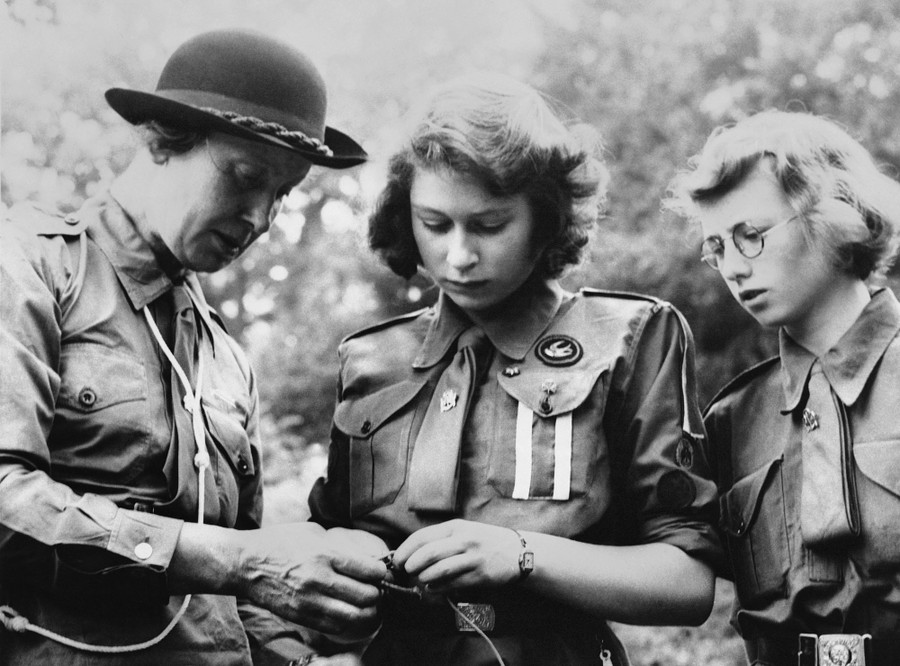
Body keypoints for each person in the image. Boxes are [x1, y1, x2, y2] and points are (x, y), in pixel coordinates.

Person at [0, 29, 390, 666]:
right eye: (244, 178)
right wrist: (237, 562)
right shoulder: (29, 269)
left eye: (282, 195)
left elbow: (245, 594)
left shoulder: (225, 358)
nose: (262, 218)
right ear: (159, 137)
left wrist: (302, 658)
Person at [307, 72, 723, 665]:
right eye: (434, 224)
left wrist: (521, 553)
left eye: (489, 225)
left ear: (545, 220)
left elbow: (686, 585)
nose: (458, 255)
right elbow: (318, 568)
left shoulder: (630, 338)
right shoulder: (371, 359)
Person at [665, 110, 900, 666]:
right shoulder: (731, 419)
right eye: (717, 247)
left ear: (836, 212)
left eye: (751, 236)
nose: (733, 267)